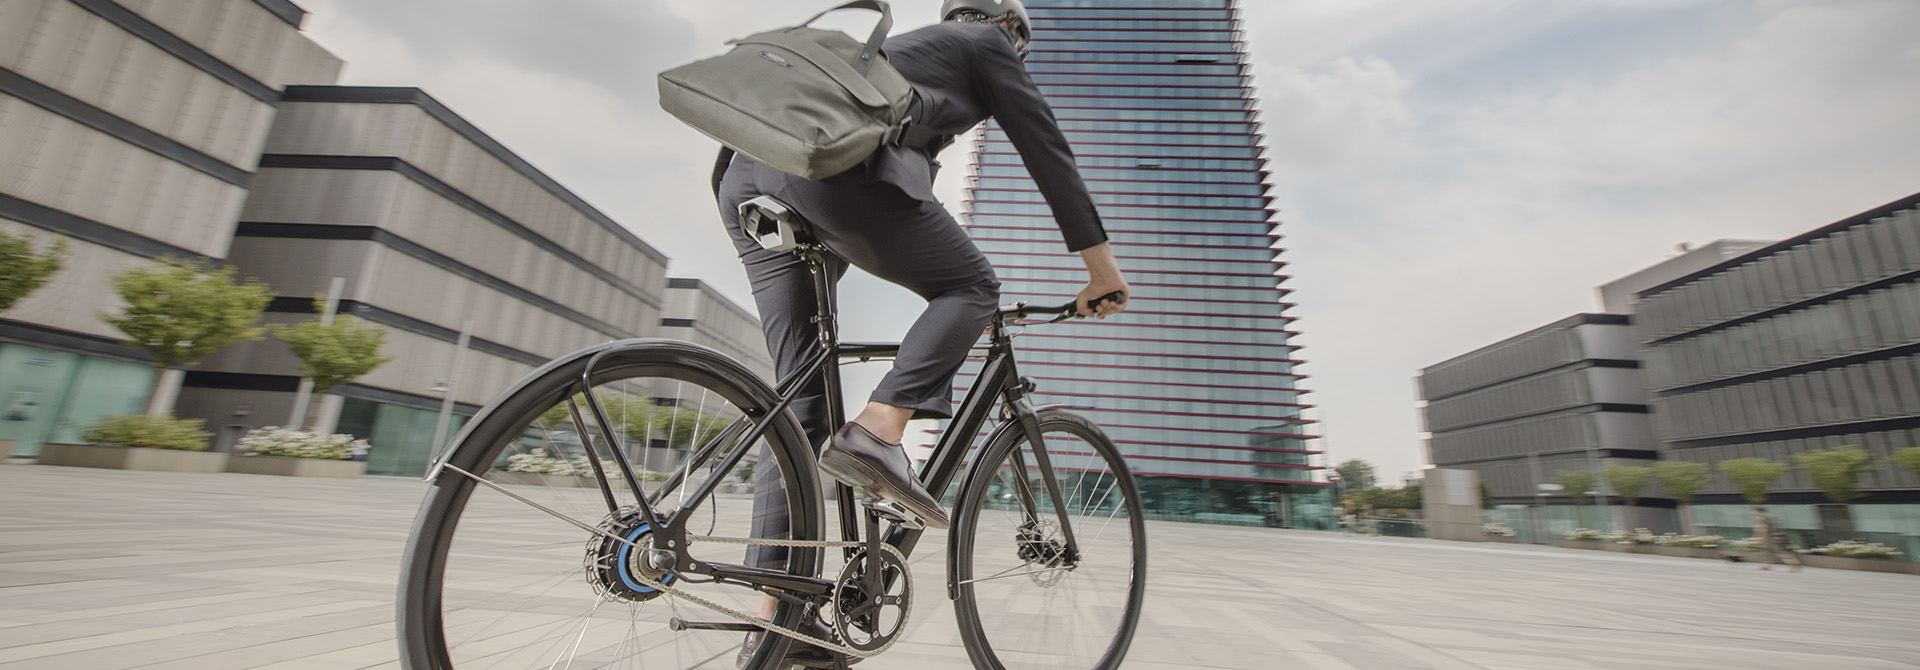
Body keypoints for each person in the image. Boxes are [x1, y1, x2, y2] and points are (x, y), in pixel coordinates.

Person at [715, 0, 1128, 666]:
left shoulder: (894, 61)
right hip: (824, 169)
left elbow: (904, 198)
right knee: (972, 287)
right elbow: (1047, 149)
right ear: (1009, 33)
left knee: (799, 403)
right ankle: (879, 431)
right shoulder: (986, 46)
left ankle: (775, 621)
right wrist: (1101, 271)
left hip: (746, 176)